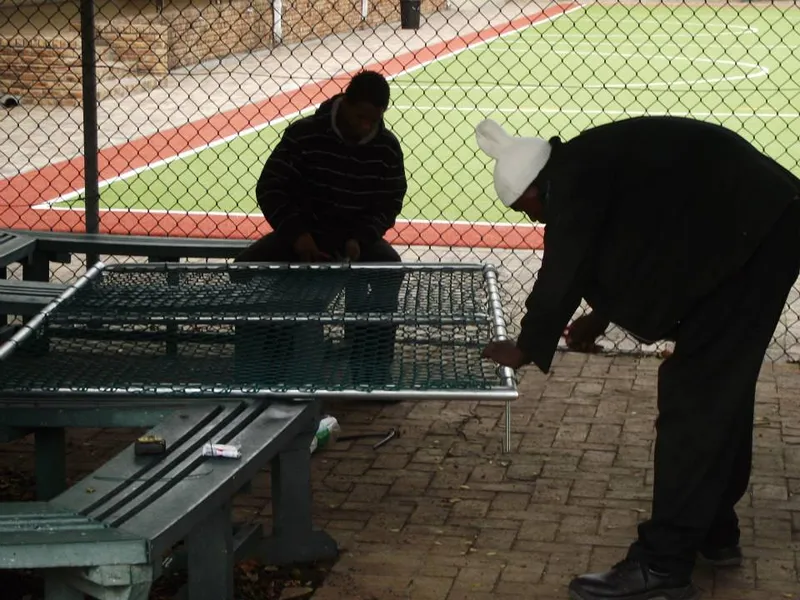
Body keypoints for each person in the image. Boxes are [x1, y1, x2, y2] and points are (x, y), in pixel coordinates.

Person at [474, 116, 800, 600]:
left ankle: (663, 565)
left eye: (529, 209)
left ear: (537, 186)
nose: (534, 220)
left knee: (694, 397)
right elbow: (636, 243)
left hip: (753, 238)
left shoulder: (574, 181)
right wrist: (598, 318)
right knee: (717, 388)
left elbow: (564, 264)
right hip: (760, 227)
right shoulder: (587, 164)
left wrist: (526, 345)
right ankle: (712, 526)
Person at [236, 70, 408, 385]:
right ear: (344, 104)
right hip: (300, 232)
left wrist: (360, 239)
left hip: (355, 238)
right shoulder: (303, 135)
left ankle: (372, 373)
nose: (367, 126)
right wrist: (299, 235)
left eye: (374, 120)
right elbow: (271, 188)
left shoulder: (386, 147)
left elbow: (389, 203)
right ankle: (260, 371)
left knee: (389, 270)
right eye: (361, 117)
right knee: (243, 271)